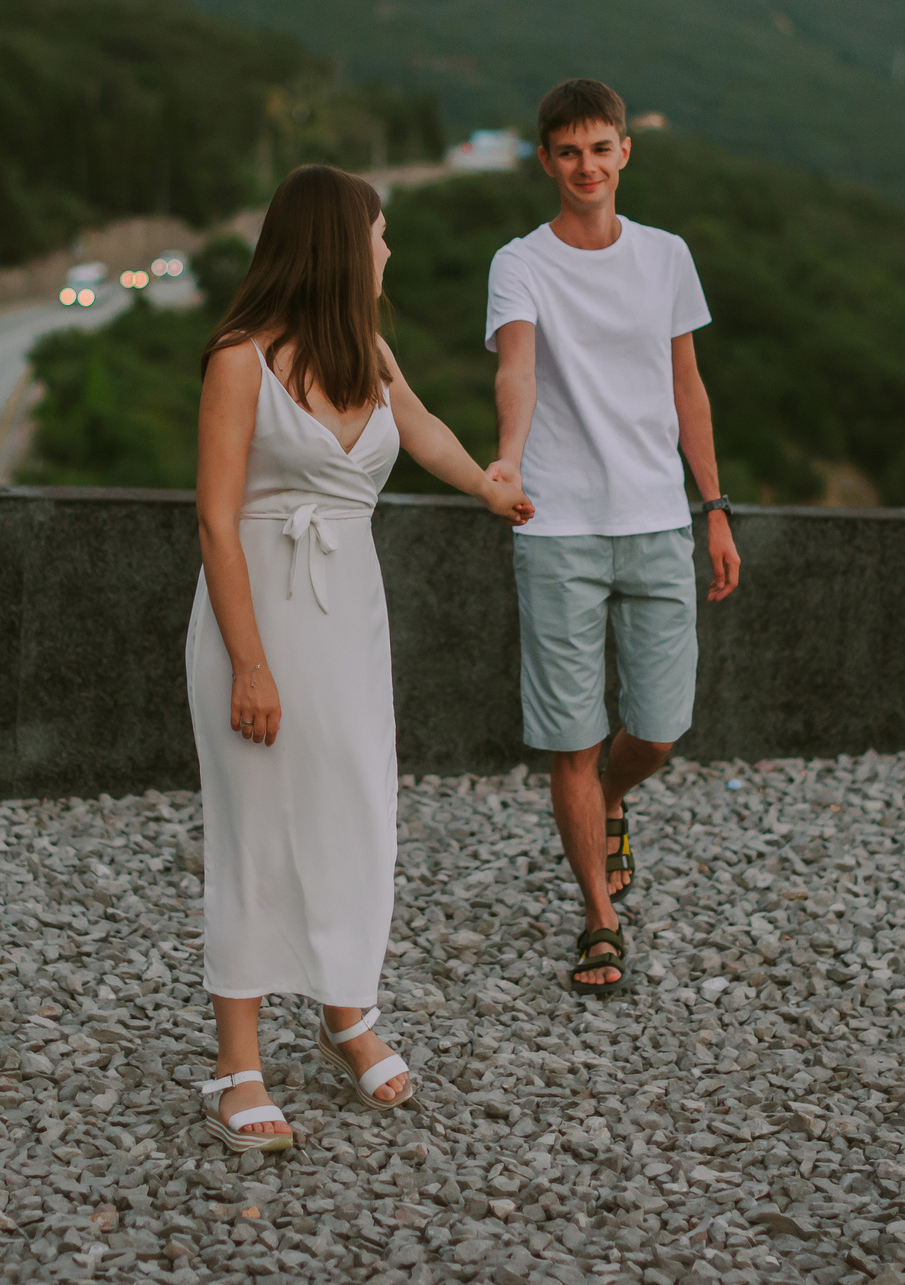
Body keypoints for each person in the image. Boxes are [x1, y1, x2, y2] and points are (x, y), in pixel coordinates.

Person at [186, 163, 533, 1152]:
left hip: (348, 618)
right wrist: (250, 665)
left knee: (356, 807)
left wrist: (488, 486)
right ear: (339, 243)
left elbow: (419, 428)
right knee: (256, 824)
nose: (387, 250)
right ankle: (237, 1061)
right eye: (377, 234)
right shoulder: (237, 357)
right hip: (257, 607)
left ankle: (347, 1010)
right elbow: (214, 521)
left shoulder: (368, 353)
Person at [484, 79, 742, 998]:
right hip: (556, 524)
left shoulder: (667, 256)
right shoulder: (519, 263)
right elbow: (517, 367)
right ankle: (599, 918)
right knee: (569, 739)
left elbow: (689, 388)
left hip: (657, 518)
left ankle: (615, 800)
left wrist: (714, 507)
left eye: (600, 148)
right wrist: (507, 463)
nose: (585, 166)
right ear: (545, 160)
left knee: (661, 729)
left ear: (625, 151)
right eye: (567, 151)